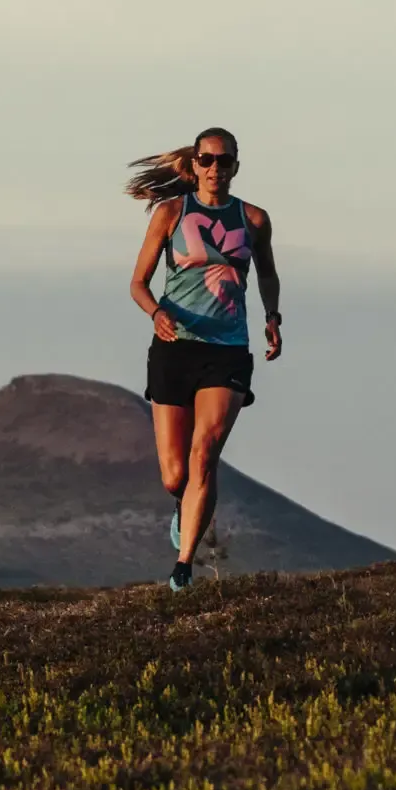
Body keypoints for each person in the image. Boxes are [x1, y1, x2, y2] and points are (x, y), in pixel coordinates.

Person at [126, 128, 283, 590]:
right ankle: (185, 504)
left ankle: (183, 565)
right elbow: (137, 282)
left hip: (227, 350)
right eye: (207, 159)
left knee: (205, 455)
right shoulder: (170, 214)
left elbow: (268, 273)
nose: (216, 168)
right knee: (176, 474)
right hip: (175, 347)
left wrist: (272, 316)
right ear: (194, 164)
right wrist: (155, 313)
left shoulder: (253, 219)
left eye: (225, 161)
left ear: (236, 167)